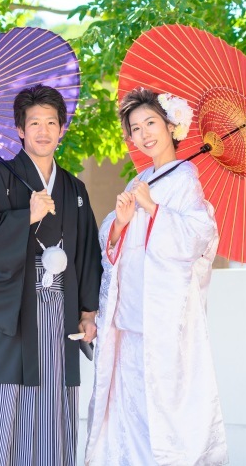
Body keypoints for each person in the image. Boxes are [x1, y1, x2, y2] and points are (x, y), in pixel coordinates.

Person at [85, 87, 228, 465]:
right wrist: (120, 222)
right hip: (130, 313)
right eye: (136, 128)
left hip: (160, 319)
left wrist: (154, 208)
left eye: (151, 123)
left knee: (161, 412)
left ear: (170, 126)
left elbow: (198, 236)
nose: (145, 133)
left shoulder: (184, 178)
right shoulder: (140, 179)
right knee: (127, 408)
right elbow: (113, 242)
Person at [0, 83, 102, 465]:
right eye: (34, 123)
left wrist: (88, 313)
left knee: (54, 403)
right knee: (4, 404)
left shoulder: (74, 189)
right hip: (14, 310)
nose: (43, 130)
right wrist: (26, 216)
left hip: (60, 308)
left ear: (62, 129)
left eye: (51, 122)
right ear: (21, 131)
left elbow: (88, 253)